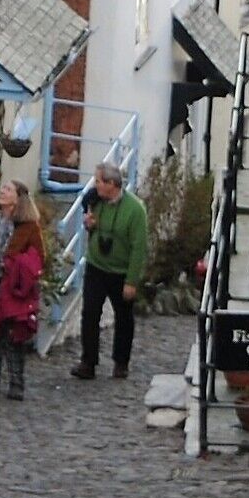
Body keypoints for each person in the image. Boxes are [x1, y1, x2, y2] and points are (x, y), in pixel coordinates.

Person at [74, 161, 151, 380]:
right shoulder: (96, 201)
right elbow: (93, 223)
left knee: (124, 317)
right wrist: (89, 224)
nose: (95, 185)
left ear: (111, 184)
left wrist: (131, 281)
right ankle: (88, 361)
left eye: (98, 181)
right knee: (89, 313)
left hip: (121, 270)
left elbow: (139, 247)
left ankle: (121, 362)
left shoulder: (135, 209)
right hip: (96, 265)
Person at [0, 202, 47, 398]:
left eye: (8, 189)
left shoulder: (28, 225)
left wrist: (18, 264)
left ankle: (17, 382)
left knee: (13, 334)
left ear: (19, 197)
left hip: (12, 285)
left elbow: (40, 256)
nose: (3, 192)